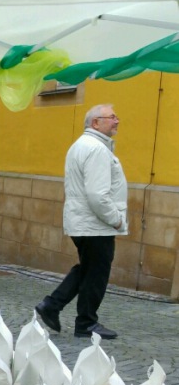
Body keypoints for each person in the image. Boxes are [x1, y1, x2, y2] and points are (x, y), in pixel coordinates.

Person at [35, 104, 127, 340]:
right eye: (112, 117)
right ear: (95, 122)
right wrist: (116, 219)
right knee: (96, 273)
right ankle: (86, 323)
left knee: (88, 269)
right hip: (94, 223)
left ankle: (52, 306)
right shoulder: (96, 149)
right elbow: (97, 195)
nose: (117, 120)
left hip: (84, 221)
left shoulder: (83, 145)